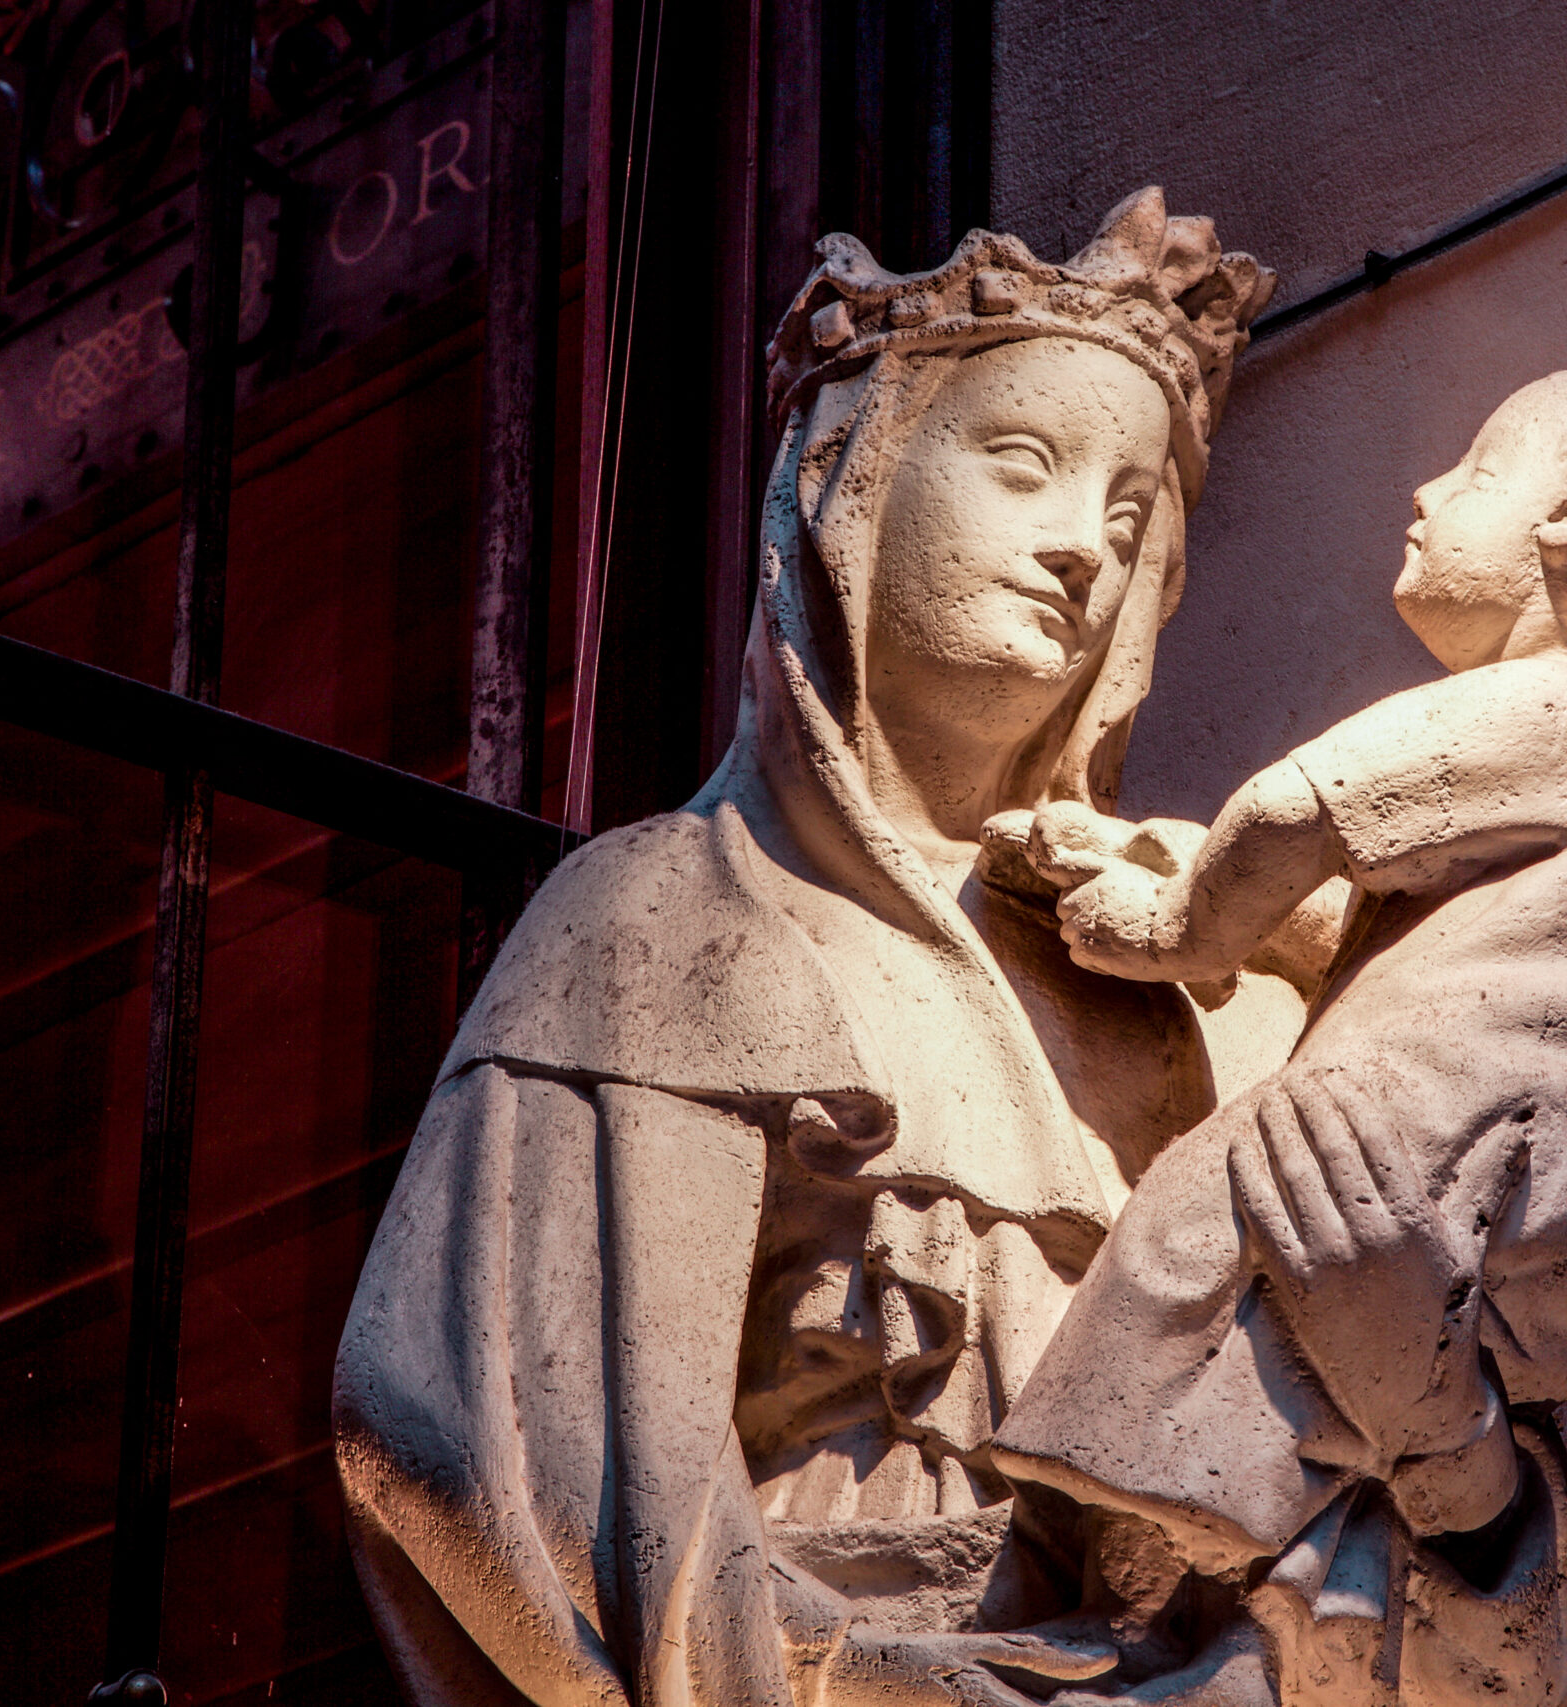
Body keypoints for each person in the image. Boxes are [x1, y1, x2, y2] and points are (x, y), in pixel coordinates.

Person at [333, 189, 1275, 1707]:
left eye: (1126, 519)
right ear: (853, 484)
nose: (1077, 554)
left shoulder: (1186, 990)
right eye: (1020, 466)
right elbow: (477, 1434)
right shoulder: (664, 914)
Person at [990, 371, 1567, 1704]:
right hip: (1548, 1205)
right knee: (1313, 1377)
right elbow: (1370, 932)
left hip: (1442, 1151)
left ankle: (1152, 1530)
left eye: (1475, 471)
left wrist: (1179, 927)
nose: (1425, 494)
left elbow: (1293, 812)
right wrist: (1156, 856)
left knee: (1214, 1216)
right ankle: (1207, 1589)